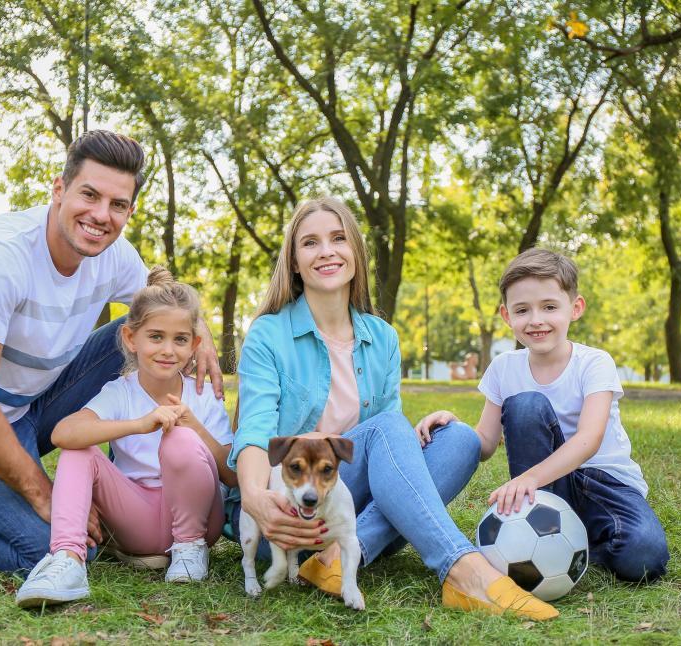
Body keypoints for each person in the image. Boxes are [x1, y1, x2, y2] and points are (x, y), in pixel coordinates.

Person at [0, 130, 223, 574]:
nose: (101, 216)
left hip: (28, 406)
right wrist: (42, 491)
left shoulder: (112, 253)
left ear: (129, 211)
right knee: (55, 545)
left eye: (117, 205)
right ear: (59, 190)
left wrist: (199, 330)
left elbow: (162, 301)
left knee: (143, 328)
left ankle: (130, 483)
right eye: (89, 195)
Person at [227, 197, 558, 620]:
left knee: (458, 438)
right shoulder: (268, 334)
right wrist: (256, 498)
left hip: (345, 497)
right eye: (310, 243)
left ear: (356, 254)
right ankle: (464, 569)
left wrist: (413, 432)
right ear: (293, 261)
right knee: (388, 427)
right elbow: (254, 432)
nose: (326, 250)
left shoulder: (381, 337)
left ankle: (339, 558)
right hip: (290, 505)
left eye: (339, 239)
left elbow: (384, 443)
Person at [417, 248, 669, 583]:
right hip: (544, 491)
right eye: (523, 310)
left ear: (574, 308)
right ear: (507, 316)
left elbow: (589, 439)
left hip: (604, 482)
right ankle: (541, 532)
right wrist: (453, 425)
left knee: (644, 558)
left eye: (549, 307)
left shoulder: (594, 363)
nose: (536, 319)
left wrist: (529, 478)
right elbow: (486, 443)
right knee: (525, 405)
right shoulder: (504, 368)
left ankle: (580, 544)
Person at [15, 266, 235, 607]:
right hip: (139, 520)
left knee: (179, 438)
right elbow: (63, 433)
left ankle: (189, 552)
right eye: (156, 336)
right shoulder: (120, 392)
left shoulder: (203, 395)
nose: (167, 349)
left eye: (179, 340)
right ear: (132, 339)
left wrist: (195, 428)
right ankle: (67, 560)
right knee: (79, 449)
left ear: (194, 346)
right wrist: (139, 424)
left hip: (201, 522)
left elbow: (232, 475)